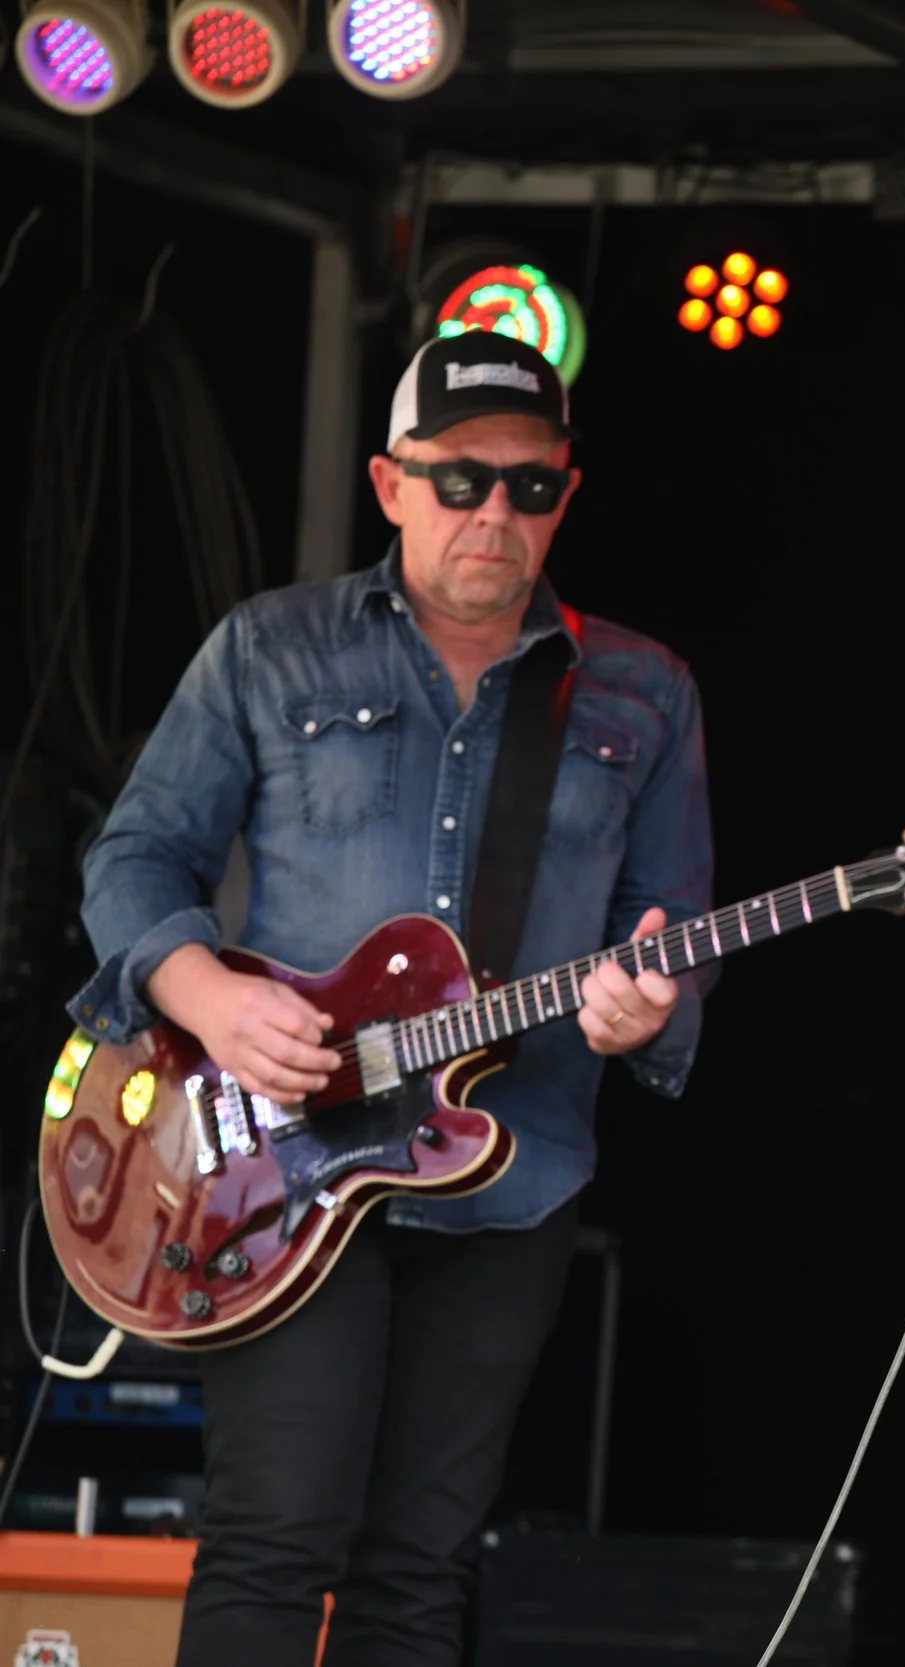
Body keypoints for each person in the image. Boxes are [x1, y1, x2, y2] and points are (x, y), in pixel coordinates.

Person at [70, 330, 713, 1667]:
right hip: (283, 1166)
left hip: (510, 1170)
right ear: (389, 481)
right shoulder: (271, 647)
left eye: (530, 488)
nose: (495, 513)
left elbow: (670, 934)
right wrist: (211, 997)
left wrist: (647, 1008)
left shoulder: (642, 689)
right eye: (461, 479)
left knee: (418, 1567)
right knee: (274, 1532)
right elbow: (134, 856)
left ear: (566, 496)